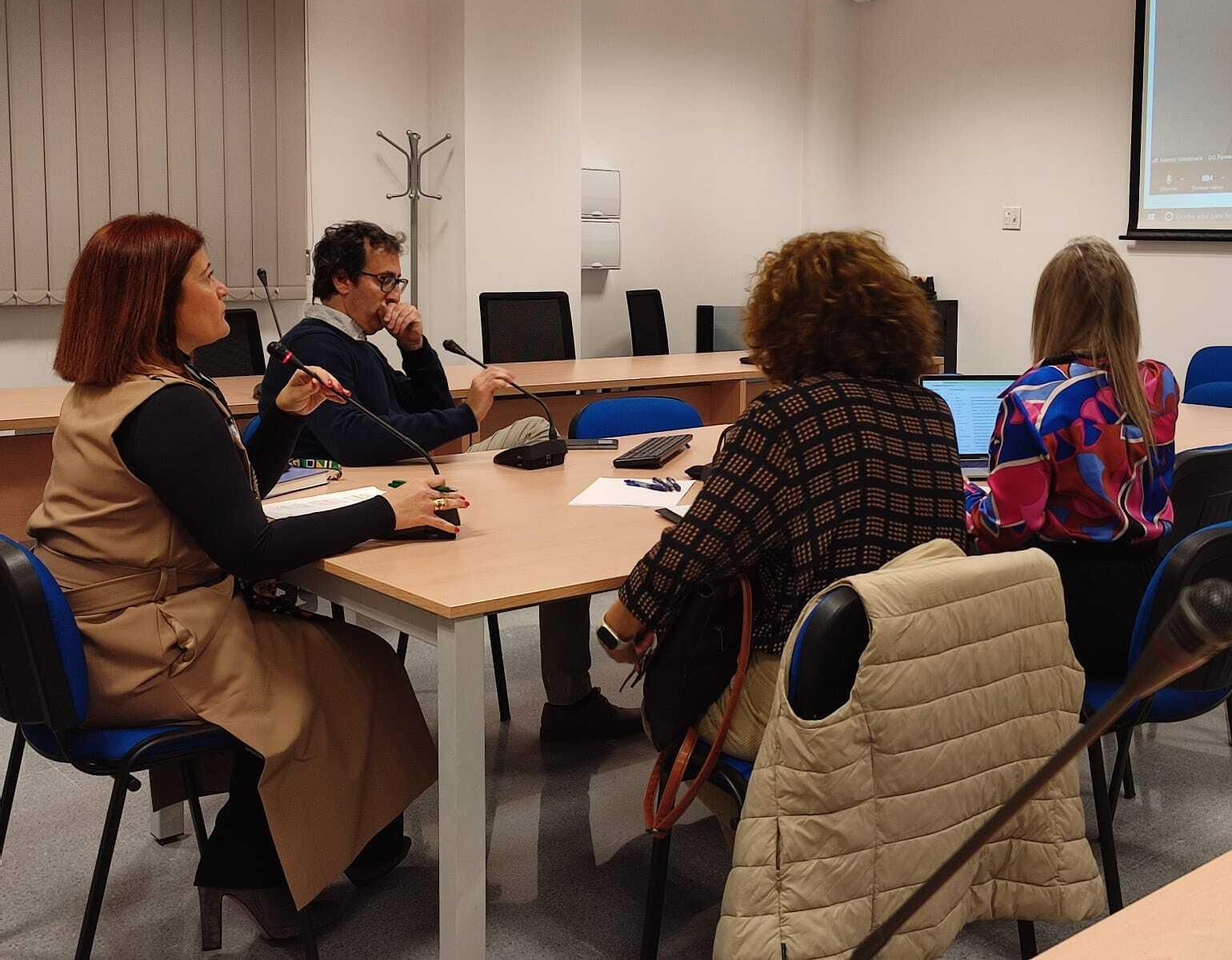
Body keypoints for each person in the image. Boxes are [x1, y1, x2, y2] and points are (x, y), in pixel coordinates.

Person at [28, 214, 458, 942]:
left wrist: (283, 417)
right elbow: (250, 546)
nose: (222, 289)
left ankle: (358, 845)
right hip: (141, 646)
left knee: (354, 662)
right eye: (203, 276)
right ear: (155, 301)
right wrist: (385, 512)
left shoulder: (124, 387)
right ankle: (249, 865)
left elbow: (225, 503)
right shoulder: (166, 406)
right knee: (339, 675)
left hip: (106, 626)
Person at [257, 221, 635, 743]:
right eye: (384, 281)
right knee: (537, 478)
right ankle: (566, 683)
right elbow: (360, 442)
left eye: (397, 283)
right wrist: (468, 416)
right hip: (367, 495)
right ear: (342, 281)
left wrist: (415, 348)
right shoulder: (314, 345)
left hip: (405, 475)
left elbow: (426, 407)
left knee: (534, 432)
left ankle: (563, 660)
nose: (393, 295)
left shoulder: (361, 344)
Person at [594, 231, 967, 761]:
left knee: (676, 691)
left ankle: (761, 825)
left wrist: (617, 629)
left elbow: (696, 552)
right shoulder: (934, 413)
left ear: (784, 325)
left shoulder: (787, 416)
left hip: (813, 689)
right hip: (918, 683)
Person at [965, 237, 1179, 678]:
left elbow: (1006, 529)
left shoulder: (1032, 400)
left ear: (1050, 311)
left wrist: (965, 495)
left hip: (1070, 609)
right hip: (1153, 602)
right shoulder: (1159, 385)